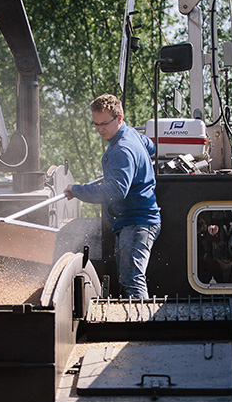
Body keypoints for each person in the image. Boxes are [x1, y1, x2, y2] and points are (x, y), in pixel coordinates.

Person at [65, 94, 161, 299]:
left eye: (105, 124)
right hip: (137, 221)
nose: (100, 129)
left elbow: (116, 191)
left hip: (137, 223)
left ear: (119, 119)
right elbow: (151, 147)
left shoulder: (122, 149)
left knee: (132, 281)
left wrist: (77, 190)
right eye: (96, 124)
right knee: (130, 278)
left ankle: (140, 329)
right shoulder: (132, 135)